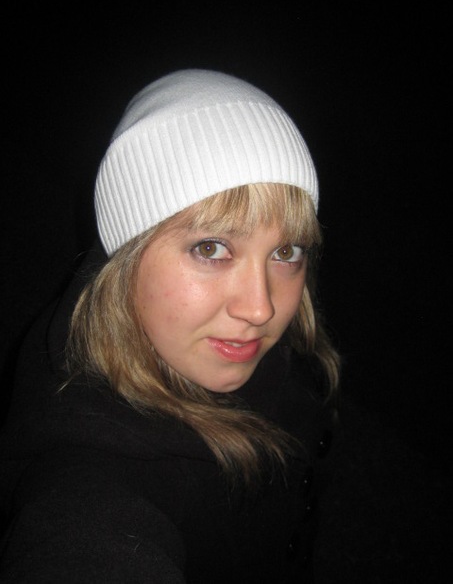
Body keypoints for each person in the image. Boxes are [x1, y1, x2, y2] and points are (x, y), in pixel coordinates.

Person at [0, 69, 340, 583]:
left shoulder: (257, 343)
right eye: (211, 247)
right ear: (125, 259)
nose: (261, 308)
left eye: (286, 251)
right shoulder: (91, 484)